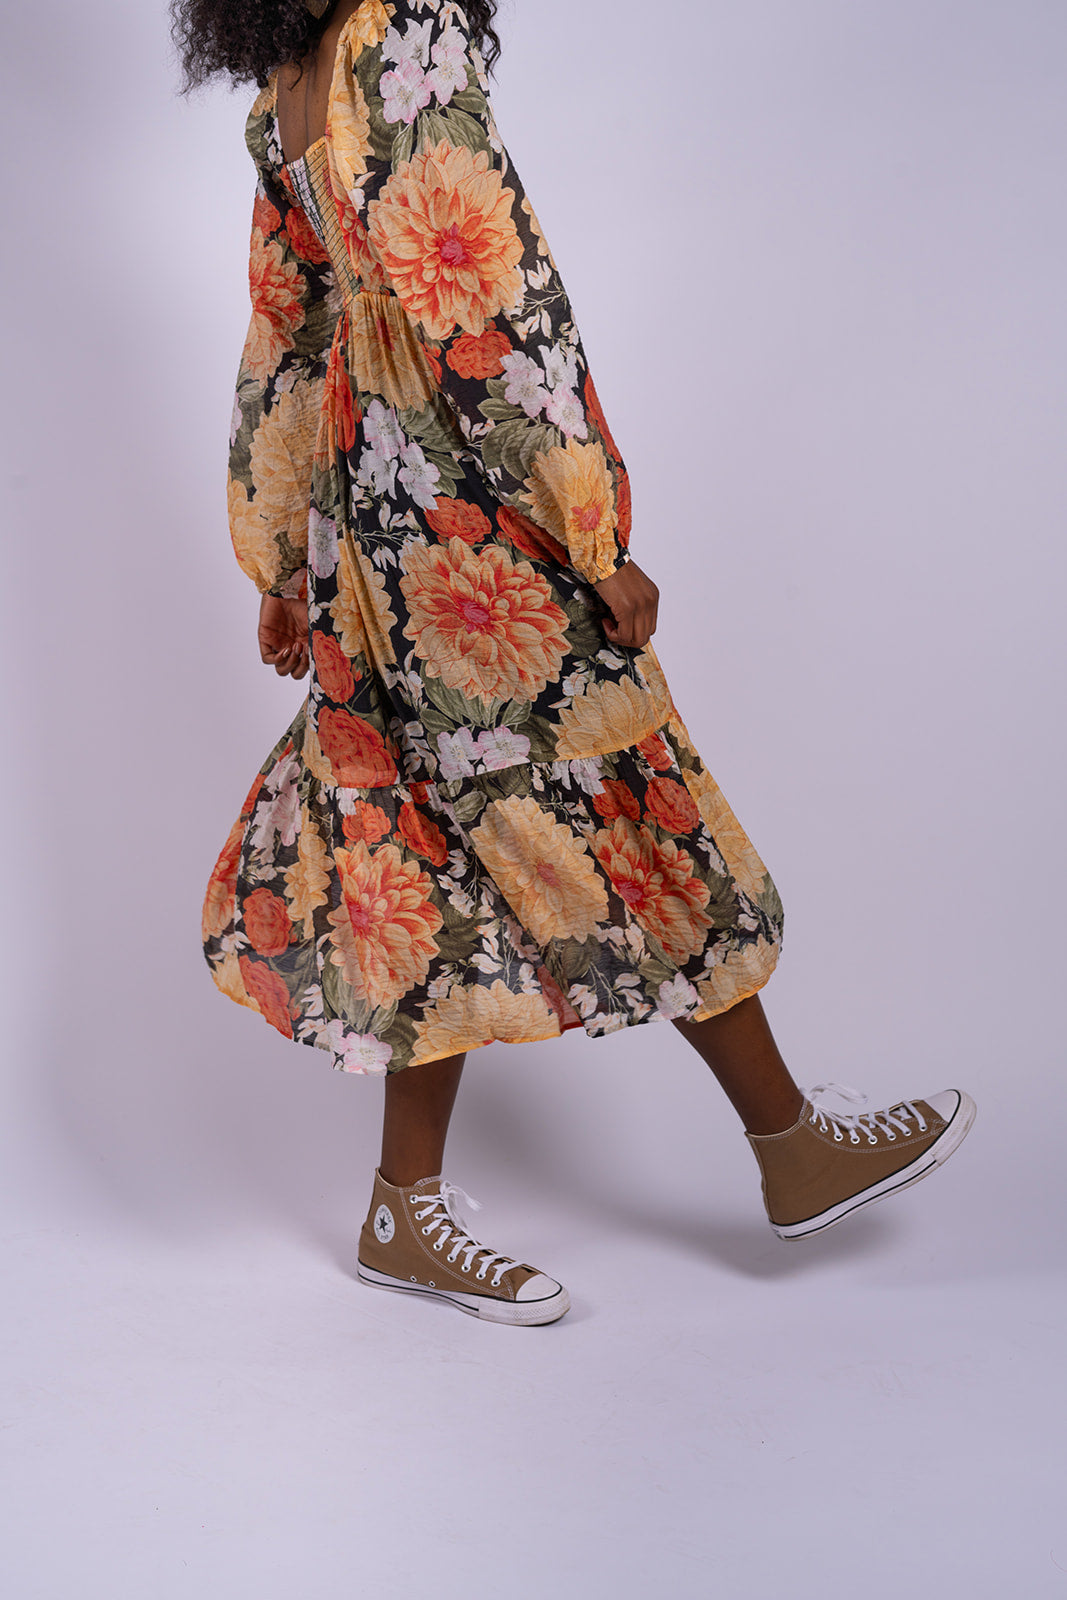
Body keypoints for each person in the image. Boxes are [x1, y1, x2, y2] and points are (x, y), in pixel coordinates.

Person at [179, 0, 975, 1326]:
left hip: (368, 526)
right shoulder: (404, 23)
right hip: (471, 514)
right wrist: (589, 530)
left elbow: (285, 338)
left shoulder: (288, 75)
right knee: (623, 798)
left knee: (424, 841)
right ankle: (788, 1145)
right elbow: (490, 293)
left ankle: (407, 1207)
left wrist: (282, 556)